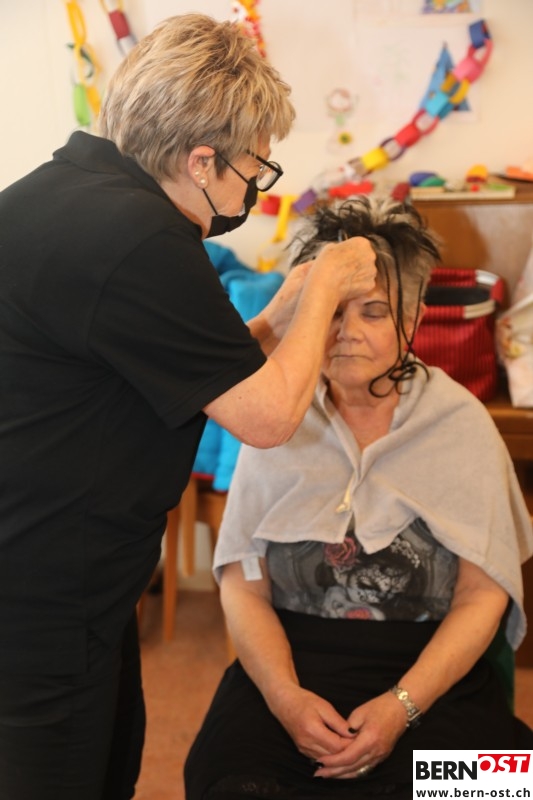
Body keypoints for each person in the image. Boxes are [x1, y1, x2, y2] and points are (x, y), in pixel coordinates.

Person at [0, 14, 377, 800]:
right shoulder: (139, 236)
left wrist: (279, 315)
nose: (251, 191)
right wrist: (325, 290)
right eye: (252, 169)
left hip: (62, 571)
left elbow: (178, 368)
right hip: (43, 591)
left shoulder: (61, 192)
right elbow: (265, 418)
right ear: (201, 160)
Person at [184, 197, 533, 800]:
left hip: (430, 681)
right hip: (290, 670)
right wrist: (285, 699)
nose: (346, 333)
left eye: (374, 312)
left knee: (502, 784)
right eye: (332, 312)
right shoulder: (276, 419)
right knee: (228, 783)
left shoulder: (461, 423)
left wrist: (401, 708)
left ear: (414, 317)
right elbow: (243, 585)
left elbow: (483, 596)